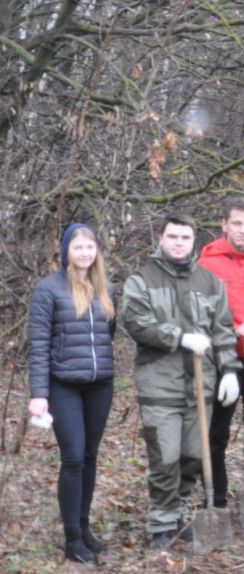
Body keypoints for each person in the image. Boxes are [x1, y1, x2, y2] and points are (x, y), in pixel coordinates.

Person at [121, 212, 240, 550]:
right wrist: (180, 337)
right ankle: (161, 521)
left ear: (193, 242)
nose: (178, 243)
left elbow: (223, 330)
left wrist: (230, 370)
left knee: (192, 456)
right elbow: (136, 321)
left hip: (200, 388)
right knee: (165, 458)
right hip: (160, 387)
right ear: (161, 237)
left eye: (185, 238)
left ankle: (180, 511)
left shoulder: (210, 282)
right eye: (172, 236)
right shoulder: (141, 280)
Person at [28, 223, 116, 563]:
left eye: (90, 247)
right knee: (74, 457)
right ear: (66, 251)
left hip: (100, 384)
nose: (84, 253)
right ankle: (72, 537)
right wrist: (39, 392)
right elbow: (37, 344)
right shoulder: (48, 290)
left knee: (91, 456)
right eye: (78, 247)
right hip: (63, 384)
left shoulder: (106, 287)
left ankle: (84, 526)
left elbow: (109, 332)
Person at [197, 196, 244, 509]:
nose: (243, 230)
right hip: (224, 359)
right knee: (218, 430)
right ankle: (216, 495)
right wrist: (231, 329)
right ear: (224, 224)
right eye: (237, 224)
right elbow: (201, 313)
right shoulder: (206, 262)